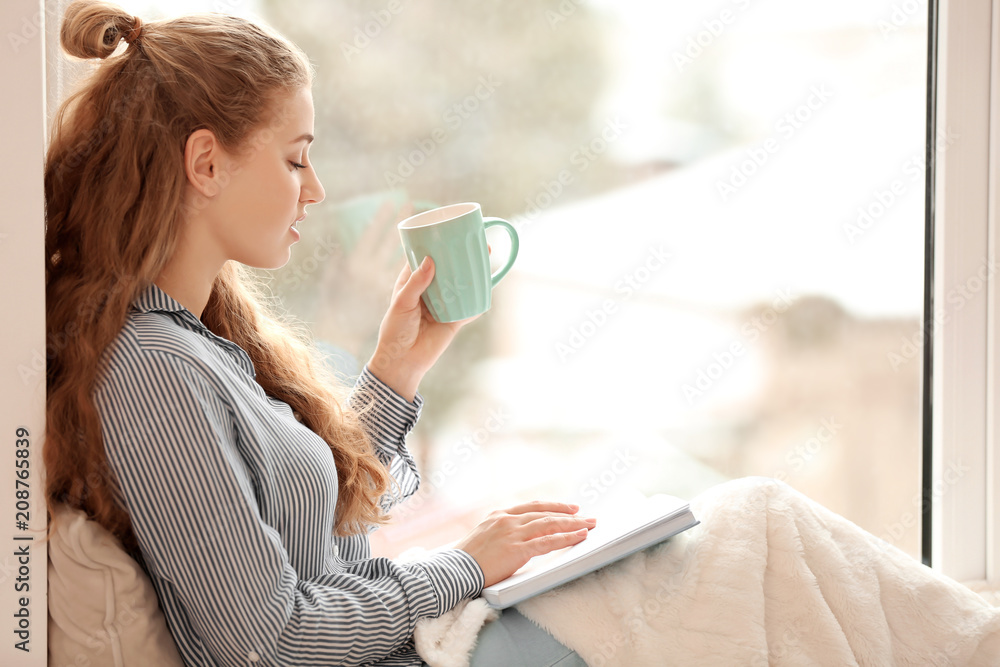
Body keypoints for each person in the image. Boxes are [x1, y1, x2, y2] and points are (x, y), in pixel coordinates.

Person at [43, 1, 592, 665]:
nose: (317, 190)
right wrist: (465, 564)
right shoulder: (153, 369)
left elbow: (322, 543)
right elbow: (275, 640)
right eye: (296, 160)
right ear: (207, 164)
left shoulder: (206, 342)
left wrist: (395, 371)